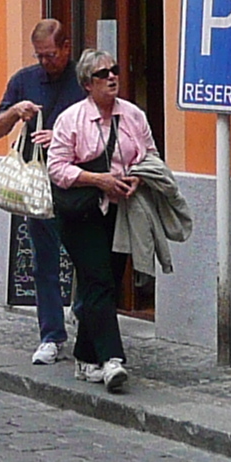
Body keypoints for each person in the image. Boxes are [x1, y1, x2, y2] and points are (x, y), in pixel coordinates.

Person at [44, 46, 150, 394]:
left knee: (106, 283)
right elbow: (57, 168)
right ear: (87, 84)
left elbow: (150, 155)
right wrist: (97, 179)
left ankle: (85, 356)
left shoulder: (133, 116)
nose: (112, 78)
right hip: (81, 211)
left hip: (121, 210)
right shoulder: (71, 119)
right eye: (103, 74)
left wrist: (137, 177)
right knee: (98, 279)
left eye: (114, 70)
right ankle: (112, 361)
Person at [0, 20, 83, 365]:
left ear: (67, 48)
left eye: (52, 55)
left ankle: (85, 322)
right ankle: (51, 335)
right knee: (44, 262)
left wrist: (59, 136)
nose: (46, 62)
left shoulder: (83, 80)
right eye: (40, 56)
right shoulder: (24, 80)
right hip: (36, 183)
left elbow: (102, 127)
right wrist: (16, 111)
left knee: (87, 258)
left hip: (76, 184)